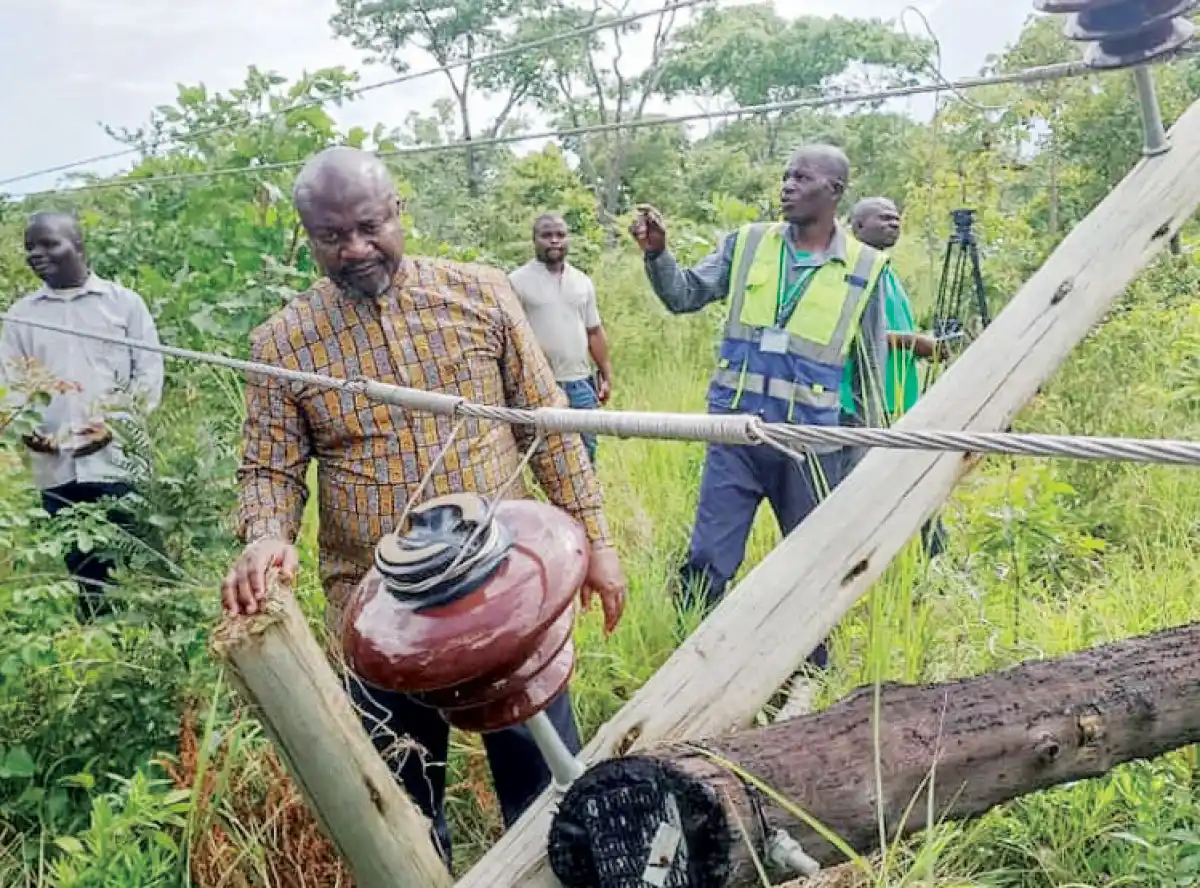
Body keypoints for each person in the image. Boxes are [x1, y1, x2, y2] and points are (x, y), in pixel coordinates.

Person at [220, 146, 627, 866]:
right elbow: (268, 471)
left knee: (548, 790)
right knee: (402, 802)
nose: (354, 250)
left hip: (506, 593)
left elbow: (548, 423)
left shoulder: (480, 295)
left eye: (369, 226)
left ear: (397, 212)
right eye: (330, 236)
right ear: (305, 235)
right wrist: (264, 536)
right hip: (378, 616)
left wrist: (598, 541)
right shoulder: (280, 344)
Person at [629, 143, 892, 674]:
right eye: (786, 176)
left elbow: (869, 380)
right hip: (737, 438)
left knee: (813, 563)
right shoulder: (748, 244)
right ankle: (687, 664)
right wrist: (658, 256)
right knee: (708, 558)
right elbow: (685, 296)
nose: (788, 186)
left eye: (803, 178)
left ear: (834, 192)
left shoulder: (866, 268)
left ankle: (811, 671)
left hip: (810, 447)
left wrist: (862, 463)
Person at [0, 211, 163, 622]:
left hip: (121, 461)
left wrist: (114, 425)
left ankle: (154, 638)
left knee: (141, 559)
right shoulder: (20, 316)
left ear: (78, 245)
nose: (37, 254)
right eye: (30, 248)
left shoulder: (123, 304)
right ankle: (100, 643)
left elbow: (148, 373)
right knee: (84, 566)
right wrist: (27, 428)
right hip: (57, 466)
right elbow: (11, 381)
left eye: (48, 244)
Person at [841, 196, 948, 557]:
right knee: (861, 488)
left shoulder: (886, 271)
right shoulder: (850, 270)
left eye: (897, 218)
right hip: (862, 401)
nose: (894, 223)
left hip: (898, 398)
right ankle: (854, 559)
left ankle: (934, 558)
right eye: (883, 218)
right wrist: (916, 344)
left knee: (916, 477)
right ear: (857, 227)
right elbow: (853, 332)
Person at [508, 214, 613, 465]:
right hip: (540, 385)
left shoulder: (582, 282)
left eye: (560, 235)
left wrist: (606, 374)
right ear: (534, 240)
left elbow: (594, 331)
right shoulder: (516, 282)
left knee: (586, 455)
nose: (554, 241)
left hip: (580, 384)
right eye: (546, 235)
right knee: (545, 457)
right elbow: (512, 339)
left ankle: (586, 504)